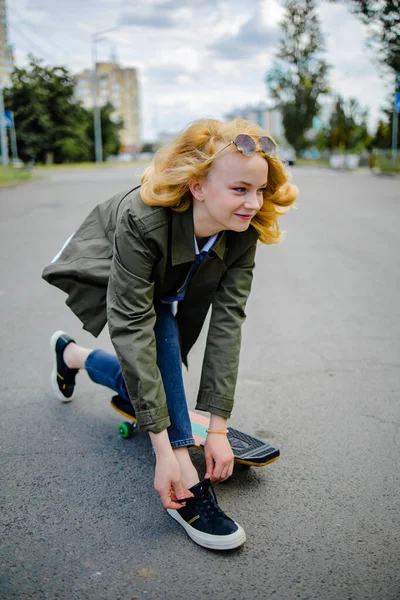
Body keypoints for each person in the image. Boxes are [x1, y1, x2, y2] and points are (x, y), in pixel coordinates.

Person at [42, 118, 298, 551]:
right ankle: (189, 487)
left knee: (155, 372)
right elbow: (132, 326)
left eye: (259, 190)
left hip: (171, 275)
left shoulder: (242, 231)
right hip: (109, 260)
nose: (253, 203)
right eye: (239, 189)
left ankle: (72, 356)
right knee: (158, 329)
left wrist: (218, 428)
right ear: (198, 186)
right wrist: (164, 449)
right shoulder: (141, 219)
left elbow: (227, 324)